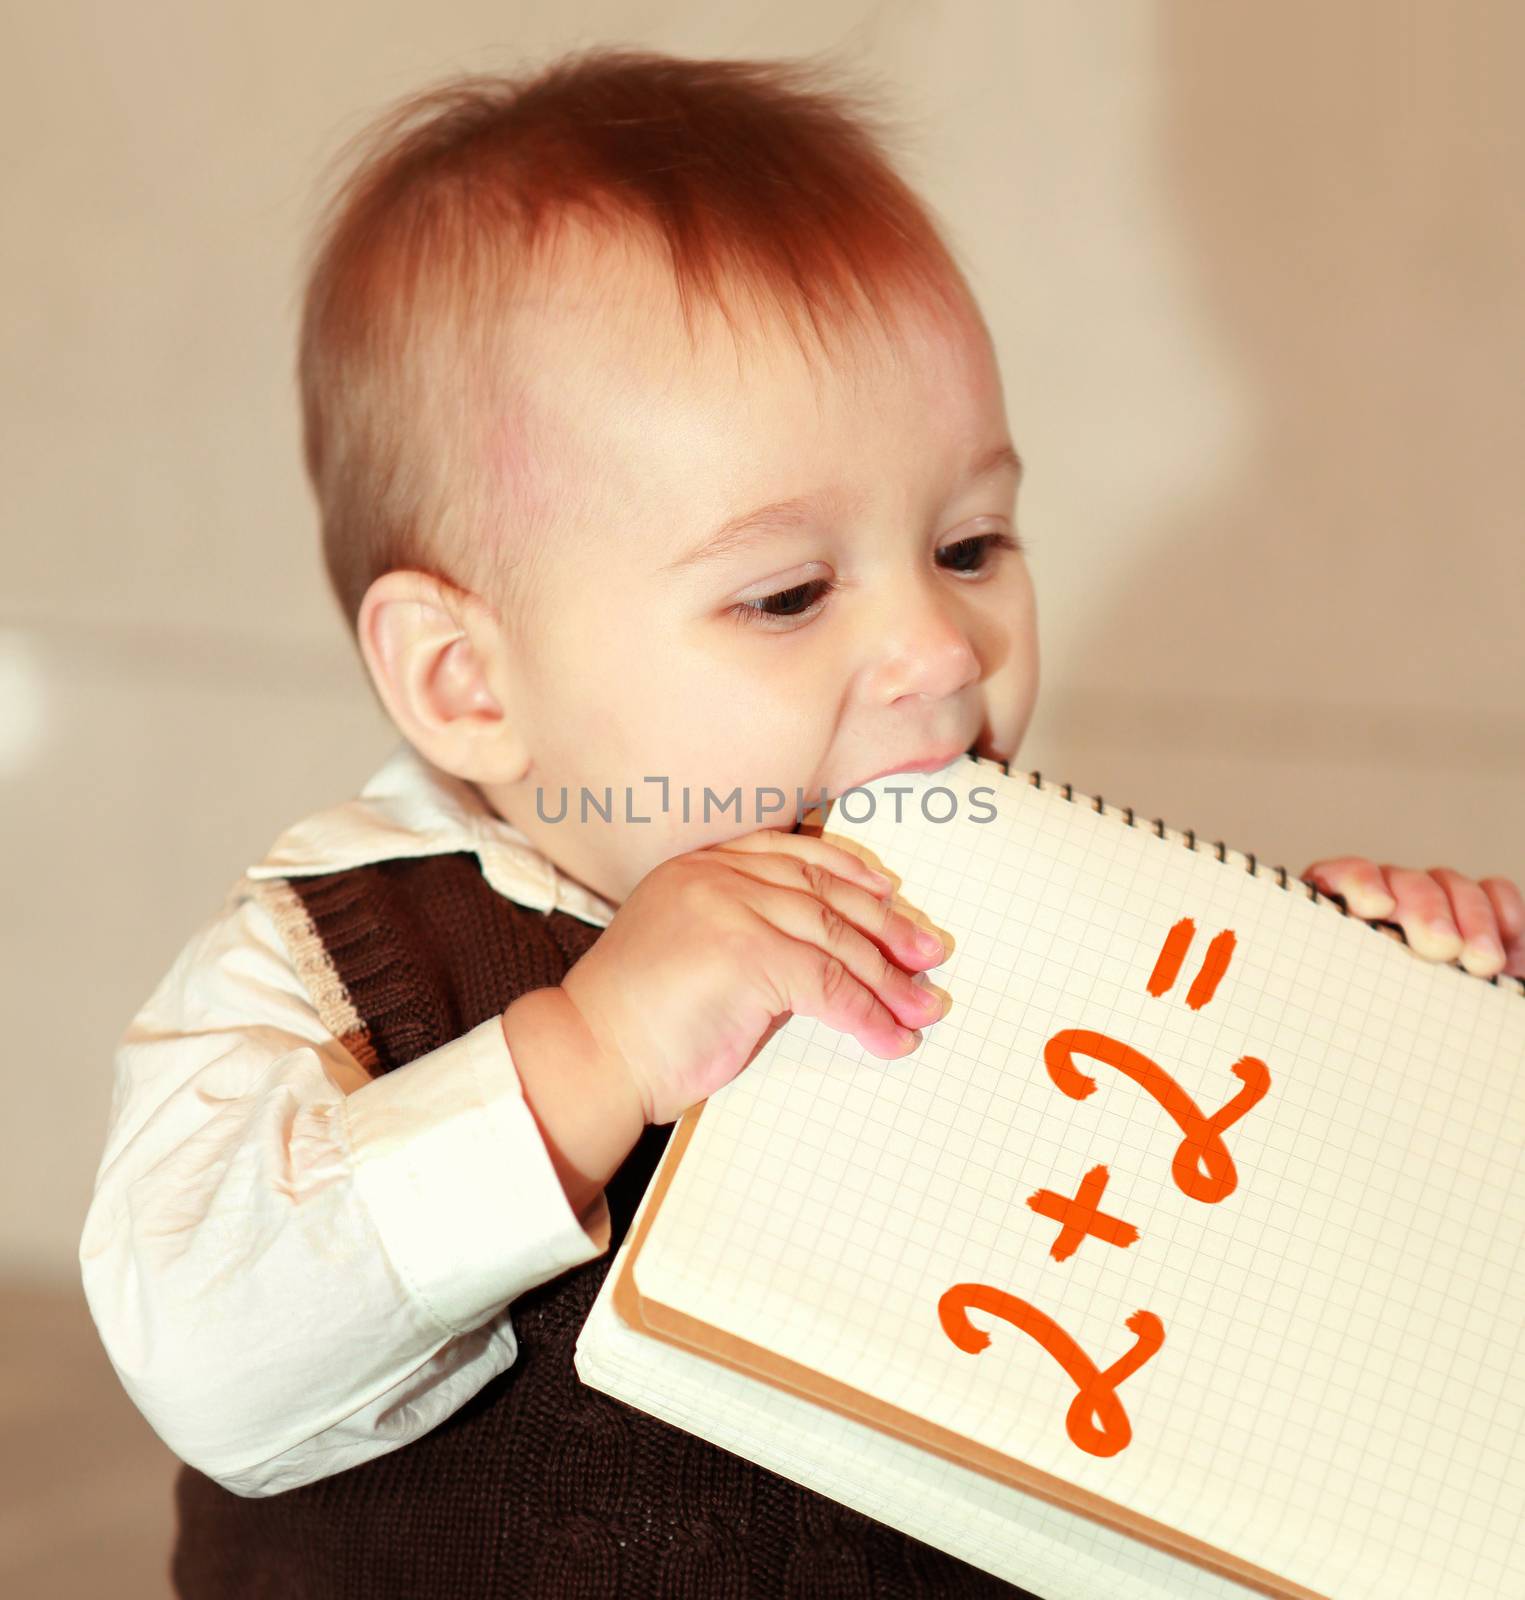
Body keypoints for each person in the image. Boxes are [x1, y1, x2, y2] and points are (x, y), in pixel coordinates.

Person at [78, 44, 1525, 1598]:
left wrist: (1349, 1031)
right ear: (467, 682)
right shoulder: (330, 972)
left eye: (970, 544)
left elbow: (1234, 1355)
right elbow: (208, 1349)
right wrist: (589, 1057)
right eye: (786, 593)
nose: (937, 651)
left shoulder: (1013, 923)